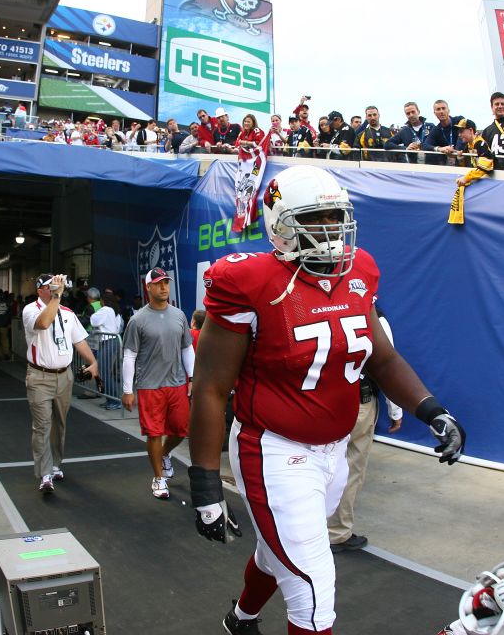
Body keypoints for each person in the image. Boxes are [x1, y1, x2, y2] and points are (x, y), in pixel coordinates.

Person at [187, 165, 467, 635]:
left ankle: (240, 619)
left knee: (277, 550)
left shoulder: (360, 270)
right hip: (274, 449)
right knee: (313, 589)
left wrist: (431, 409)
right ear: (280, 223)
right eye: (316, 219)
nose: (331, 230)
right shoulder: (250, 281)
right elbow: (211, 387)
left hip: (335, 449)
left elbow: (381, 358)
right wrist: (205, 485)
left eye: (336, 216)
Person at [326, 304, 402, 553]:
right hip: (356, 401)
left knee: (319, 465)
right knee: (349, 467)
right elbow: (386, 365)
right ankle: (335, 532)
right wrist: (396, 410)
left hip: (322, 400)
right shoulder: (372, 314)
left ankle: (307, 527)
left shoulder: (321, 306)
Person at [22, 274, 100, 493]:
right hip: (39, 377)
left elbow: (79, 341)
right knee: (42, 425)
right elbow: (44, 322)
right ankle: (45, 473)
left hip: (64, 376)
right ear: (40, 290)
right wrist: (56, 296)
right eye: (49, 287)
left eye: (56, 286)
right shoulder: (31, 310)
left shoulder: (67, 314)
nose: (55, 289)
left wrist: (92, 362)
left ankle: (55, 464)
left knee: (60, 423)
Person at [122, 268, 195, 500]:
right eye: (158, 283)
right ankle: (159, 477)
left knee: (181, 430)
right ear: (149, 287)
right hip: (149, 386)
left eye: (166, 283)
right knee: (154, 433)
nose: (164, 287)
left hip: (176, 384)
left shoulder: (179, 315)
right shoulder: (138, 320)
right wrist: (127, 389)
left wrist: (191, 377)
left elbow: (186, 347)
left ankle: (164, 454)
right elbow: (130, 355)